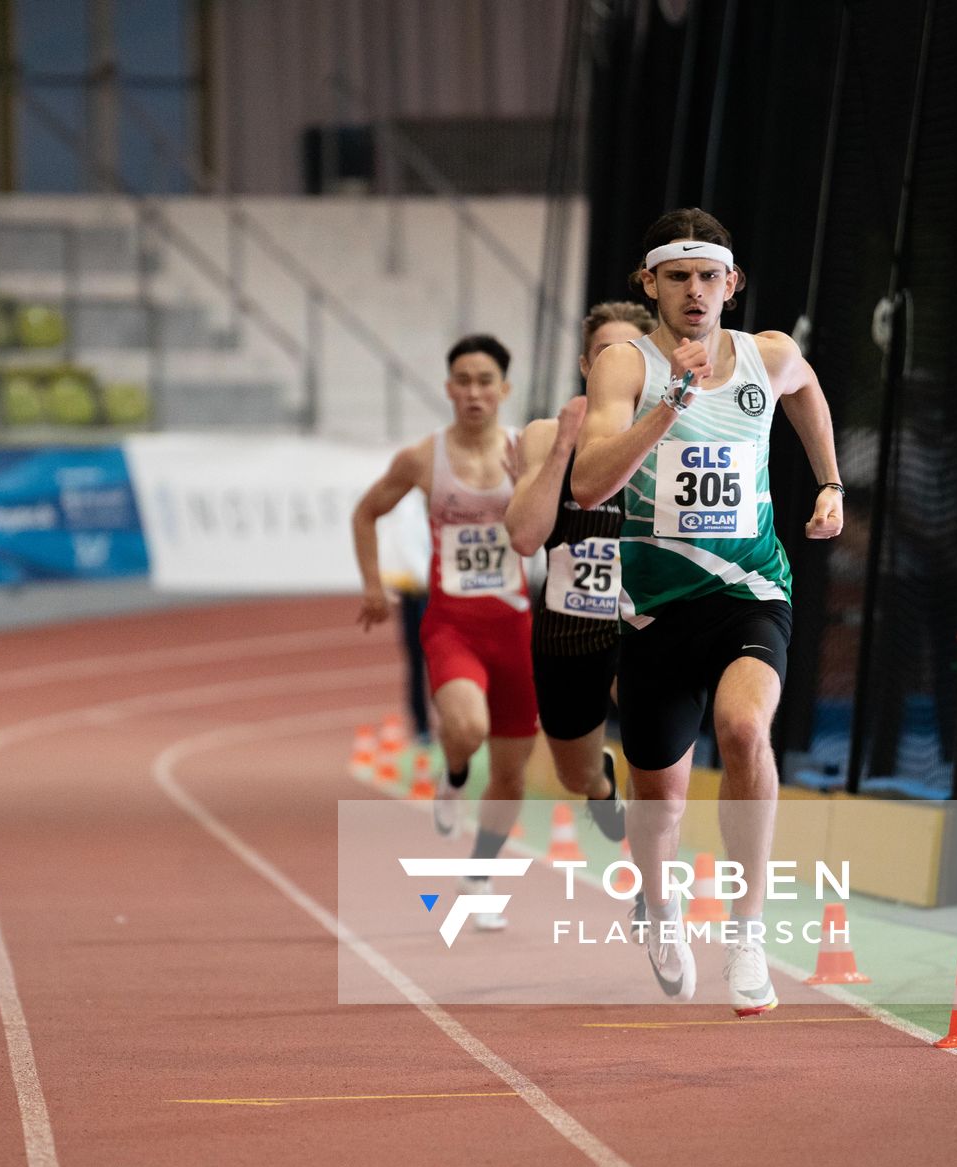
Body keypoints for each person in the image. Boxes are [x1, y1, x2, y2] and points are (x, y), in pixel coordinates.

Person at [573, 209, 844, 1014]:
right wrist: (670, 404)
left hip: (752, 591)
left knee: (743, 730)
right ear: (649, 284)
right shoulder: (625, 365)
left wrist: (829, 481)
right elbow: (589, 485)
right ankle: (660, 908)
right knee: (662, 797)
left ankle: (748, 931)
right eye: (678, 277)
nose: (695, 291)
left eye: (709, 277)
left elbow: (808, 391)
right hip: (655, 609)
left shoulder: (768, 355)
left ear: (732, 284)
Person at [353, 334, 535, 931]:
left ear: (504, 389)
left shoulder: (526, 453)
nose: (474, 391)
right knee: (468, 727)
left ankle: (480, 872)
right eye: (463, 380)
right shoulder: (422, 457)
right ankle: (454, 773)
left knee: (510, 773)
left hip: (516, 629)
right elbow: (366, 511)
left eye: (486, 380)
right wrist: (374, 586)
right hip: (452, 625)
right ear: (449, 387)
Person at [505, 301, 658, 844]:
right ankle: (598, 784)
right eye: (604, 354)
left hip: (643, 622)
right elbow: (524, 537)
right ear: (586, 367)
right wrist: (565, 450)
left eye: (630, 354)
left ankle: (652, 867)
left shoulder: (671, 432)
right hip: (568, 626)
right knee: (575, 773)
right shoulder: (547, 435)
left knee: (655, 746)